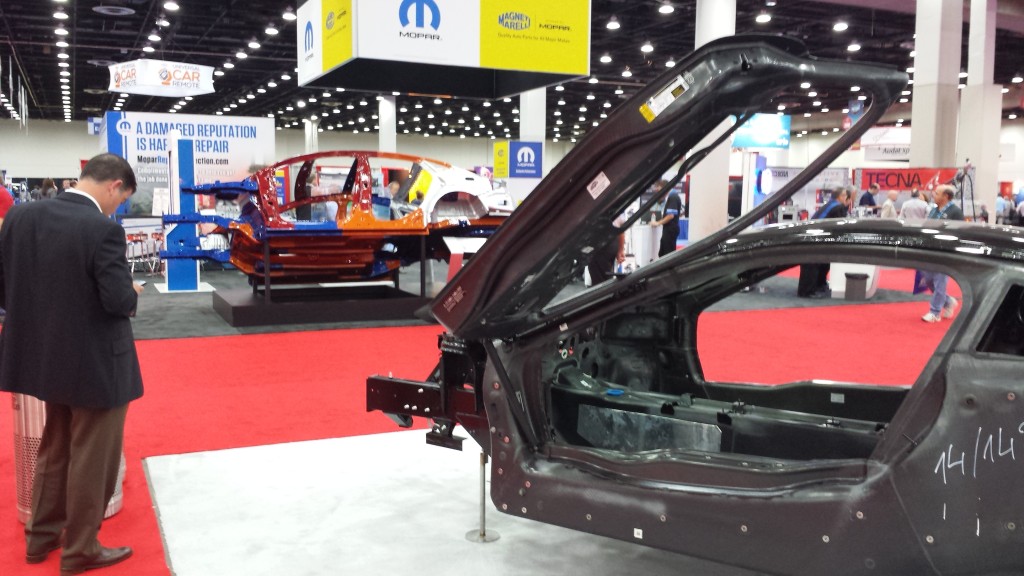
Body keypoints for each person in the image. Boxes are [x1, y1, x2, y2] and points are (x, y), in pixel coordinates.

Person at [0, 153, 144, 574]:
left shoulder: (20, 219)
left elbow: (5, 289)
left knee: (55, 446)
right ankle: (81, 548)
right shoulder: (102, 230)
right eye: (122, 199)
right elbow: (118, 301)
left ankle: (41, 537)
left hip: (43, 358)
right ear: (114, 185)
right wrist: (133, 290)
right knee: (92, 456)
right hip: (97, 363)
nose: (116, 208)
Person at [919, 184, 963, 322]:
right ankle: (948, 301)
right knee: (928, 281)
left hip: (944, 251)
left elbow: (959, 232)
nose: (933, 195)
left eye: (937, 193)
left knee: (939, 282)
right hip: (930, 249)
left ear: (946, 196)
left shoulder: (955, 212)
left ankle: (935, 312)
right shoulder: (933, 210)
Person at [797, 187, 848, 298]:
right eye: (845, 195)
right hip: (816, 239)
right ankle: (808, 291)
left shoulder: (829, 205)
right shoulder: (837, 207)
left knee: (822, 264)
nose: (846, 198)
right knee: (814, 265)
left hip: (813, 237)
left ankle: (818, 286)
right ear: (840, 196)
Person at [650, 180, 680, 257]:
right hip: (668, 230)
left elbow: (670, 216)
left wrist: (657, 223)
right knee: (662, 254)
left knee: (667, 255)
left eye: (660, 190)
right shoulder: (672, 196)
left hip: (670, 230)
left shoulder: (673, 196)